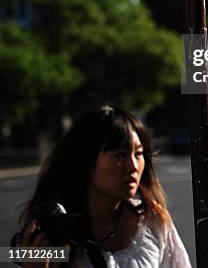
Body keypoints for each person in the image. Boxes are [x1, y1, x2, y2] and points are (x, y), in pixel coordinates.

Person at [14, 105, 192, 268]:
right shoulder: (52, 229)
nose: (133, 166)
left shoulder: (153, 221)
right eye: (119, 155)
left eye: (138, 153)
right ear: (86, 161)